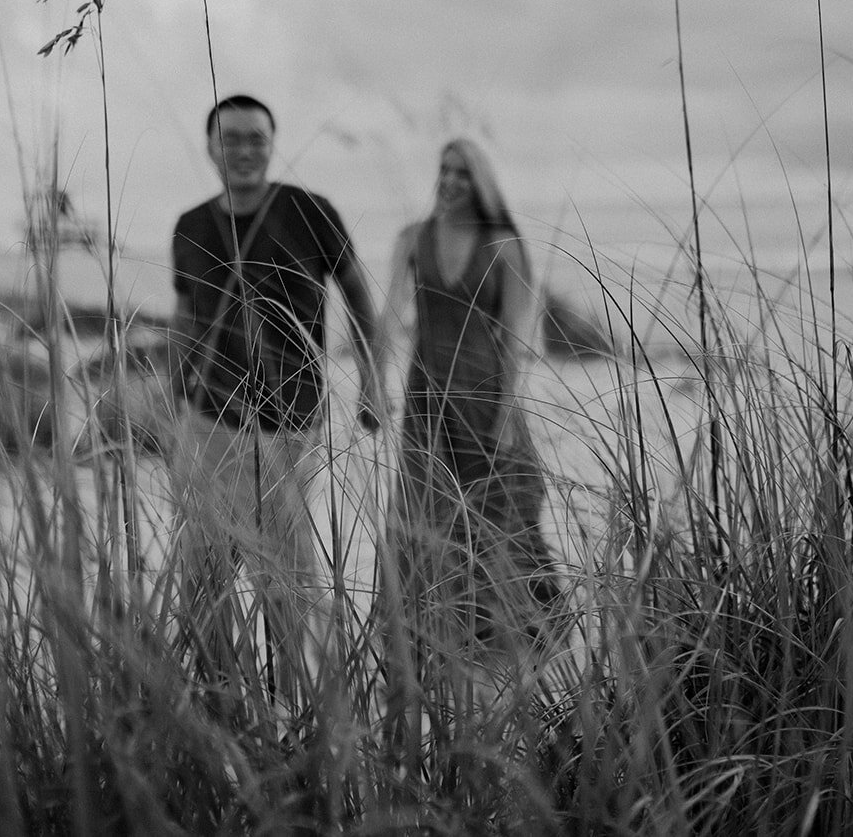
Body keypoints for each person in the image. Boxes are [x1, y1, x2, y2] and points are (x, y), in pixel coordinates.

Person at [168, 93, 381, 703]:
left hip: (290, 419)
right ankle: (218, 698)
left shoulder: (310, 211)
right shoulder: (190, 225)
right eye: (229, 138)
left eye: (255, 137)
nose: (242, 149)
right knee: (202, 567)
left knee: (285, 569)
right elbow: (186, 315)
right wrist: (173, 397)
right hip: (208, 419)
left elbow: (360, 298)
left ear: (273, 141)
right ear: (210, 146)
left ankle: (299, 700)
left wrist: (371, 380)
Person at [376, 137, 564, 717]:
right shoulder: (412, 239)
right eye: (444, 169)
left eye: (462, 172)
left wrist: (508, 412)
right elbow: (389, 317)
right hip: (427, 398)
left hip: (486, 398)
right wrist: (370, 383)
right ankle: (430, 629)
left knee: (501, 509)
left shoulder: (503, 245)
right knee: (422, 511)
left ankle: (516, 633)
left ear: (479, 180)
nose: (450, 181)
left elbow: (515, 338)